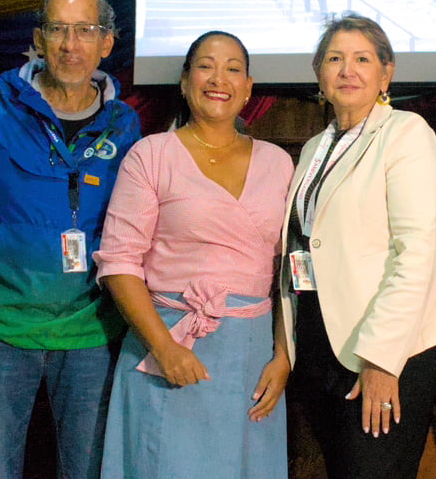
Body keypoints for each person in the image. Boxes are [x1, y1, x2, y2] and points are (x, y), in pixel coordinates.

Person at [0, 0, 142, 479]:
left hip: (91, 329)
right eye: (58, 30)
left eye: (85, 31)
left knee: (87, 470)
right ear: (38, 39)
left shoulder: (126, 126)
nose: (70, 44)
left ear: (107, 43)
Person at [94, 31, 293, 477]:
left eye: (233, 68)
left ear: (248, 88)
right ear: (185, 81)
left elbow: (285, 272)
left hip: (252, 357)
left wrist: (283, 356)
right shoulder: (151, 155)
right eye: (205, 65)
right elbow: (119, 262)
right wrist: (164, 349)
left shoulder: (278, 161)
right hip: (168, 344)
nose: (218, 78)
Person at [280, 14, 436, 478]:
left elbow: (417, 252)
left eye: (362, 59)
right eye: (335, 58)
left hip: (383, 351)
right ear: (319, 73)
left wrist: (381, 359)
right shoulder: (316, 144)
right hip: (320, 344)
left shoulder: (406, 132)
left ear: (386, 72)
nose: (347, 70)